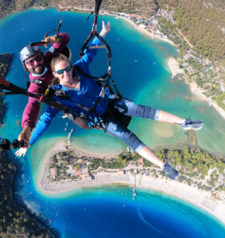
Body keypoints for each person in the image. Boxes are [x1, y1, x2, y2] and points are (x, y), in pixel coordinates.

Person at [16, 21, 203, 180]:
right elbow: (43, 118)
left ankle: (183, 122)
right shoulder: (58, 96)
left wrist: (103, 32)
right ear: (55, 75)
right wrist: (29, 139)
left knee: (140, 109)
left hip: (109, 102)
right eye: (61, 72)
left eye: (68, 68)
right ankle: (164, 166)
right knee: (127, 136)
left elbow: (90, 50)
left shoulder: (79, 69)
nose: (66, 73)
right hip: (98, 118)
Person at [17, 31, 70, 144]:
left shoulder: (49, 57)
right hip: (62, 94)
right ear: (25, 67)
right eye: (30, 62)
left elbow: (65, 38)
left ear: (42, 56)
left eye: (38, 58)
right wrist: (27, 127)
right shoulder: (35, 85)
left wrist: (55, 38)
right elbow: (32, 105)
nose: (36, 63)